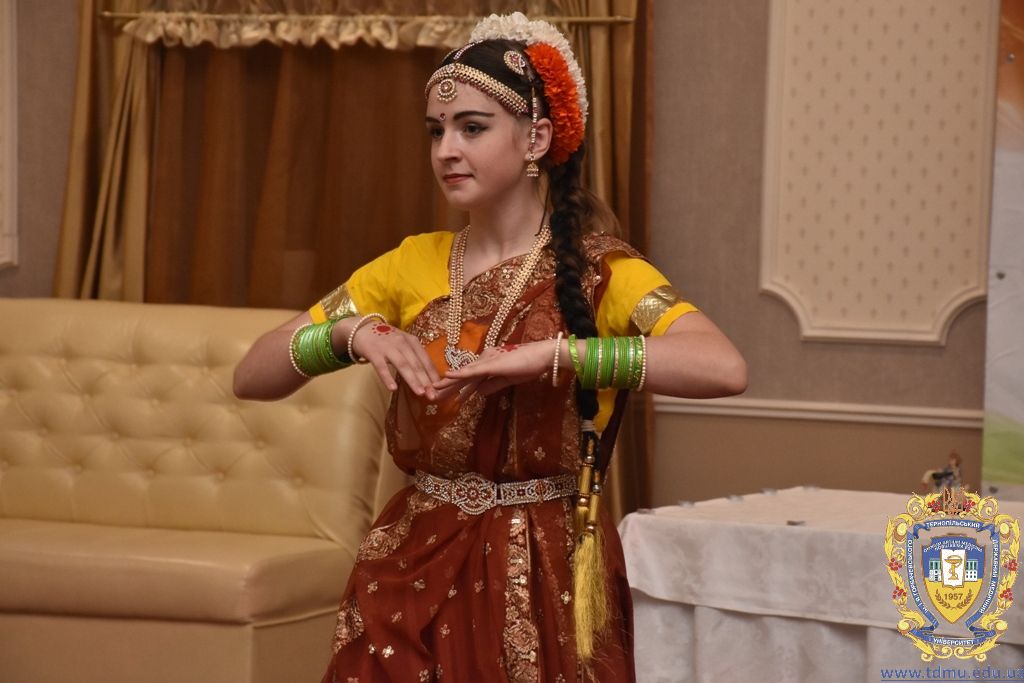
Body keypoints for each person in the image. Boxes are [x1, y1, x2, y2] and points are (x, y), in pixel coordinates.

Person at [233, 12, 747, 682]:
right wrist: (347, 333)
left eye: (471, 128)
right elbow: (252, 373)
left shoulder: (600, 271)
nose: (446, 149)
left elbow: (722, 366)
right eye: (436, 130)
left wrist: (555, 356)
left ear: (537, 137)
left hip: (545, 569)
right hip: (412, 562)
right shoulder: (411, 263)